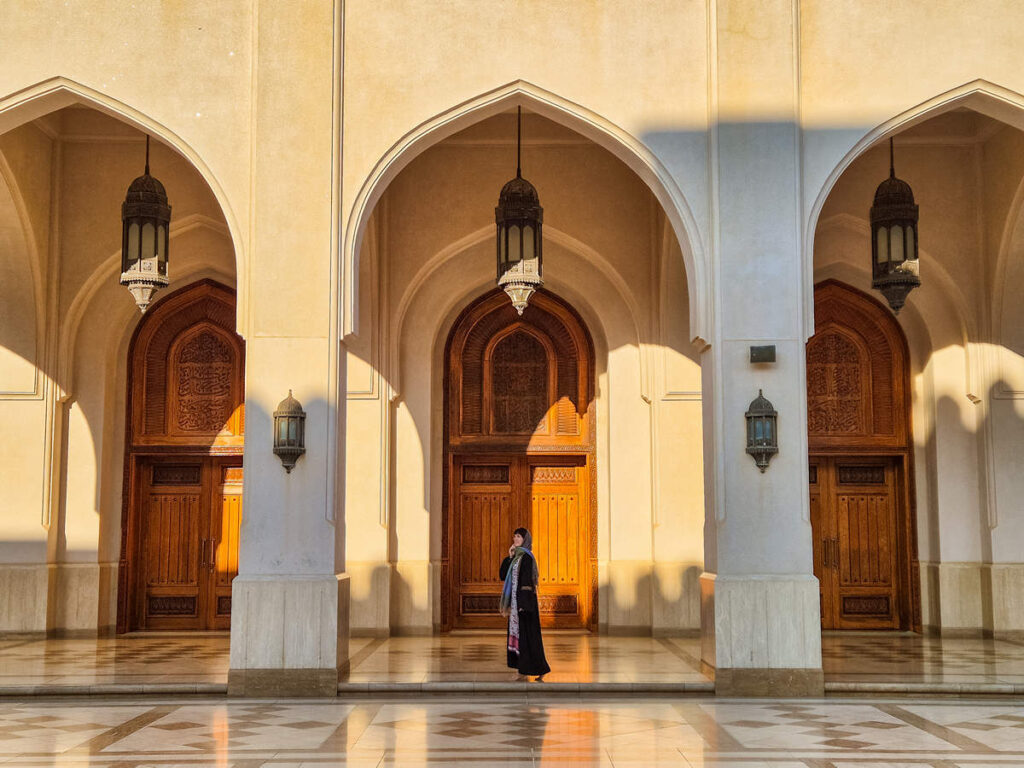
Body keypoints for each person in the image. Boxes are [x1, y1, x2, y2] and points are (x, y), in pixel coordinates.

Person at [499, 527, 550, 678]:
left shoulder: (527, 558)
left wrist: (523, 605)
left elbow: (527, 583)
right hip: (516, 605)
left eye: (519, 537)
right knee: (521, 637)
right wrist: (509, 557)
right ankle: (523, 668)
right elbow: (502, 575)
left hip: (525, 604)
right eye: (514, 536)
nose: (515, 539)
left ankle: (539, 668)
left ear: (525, 540)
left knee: (530, 637)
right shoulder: (515, 557)